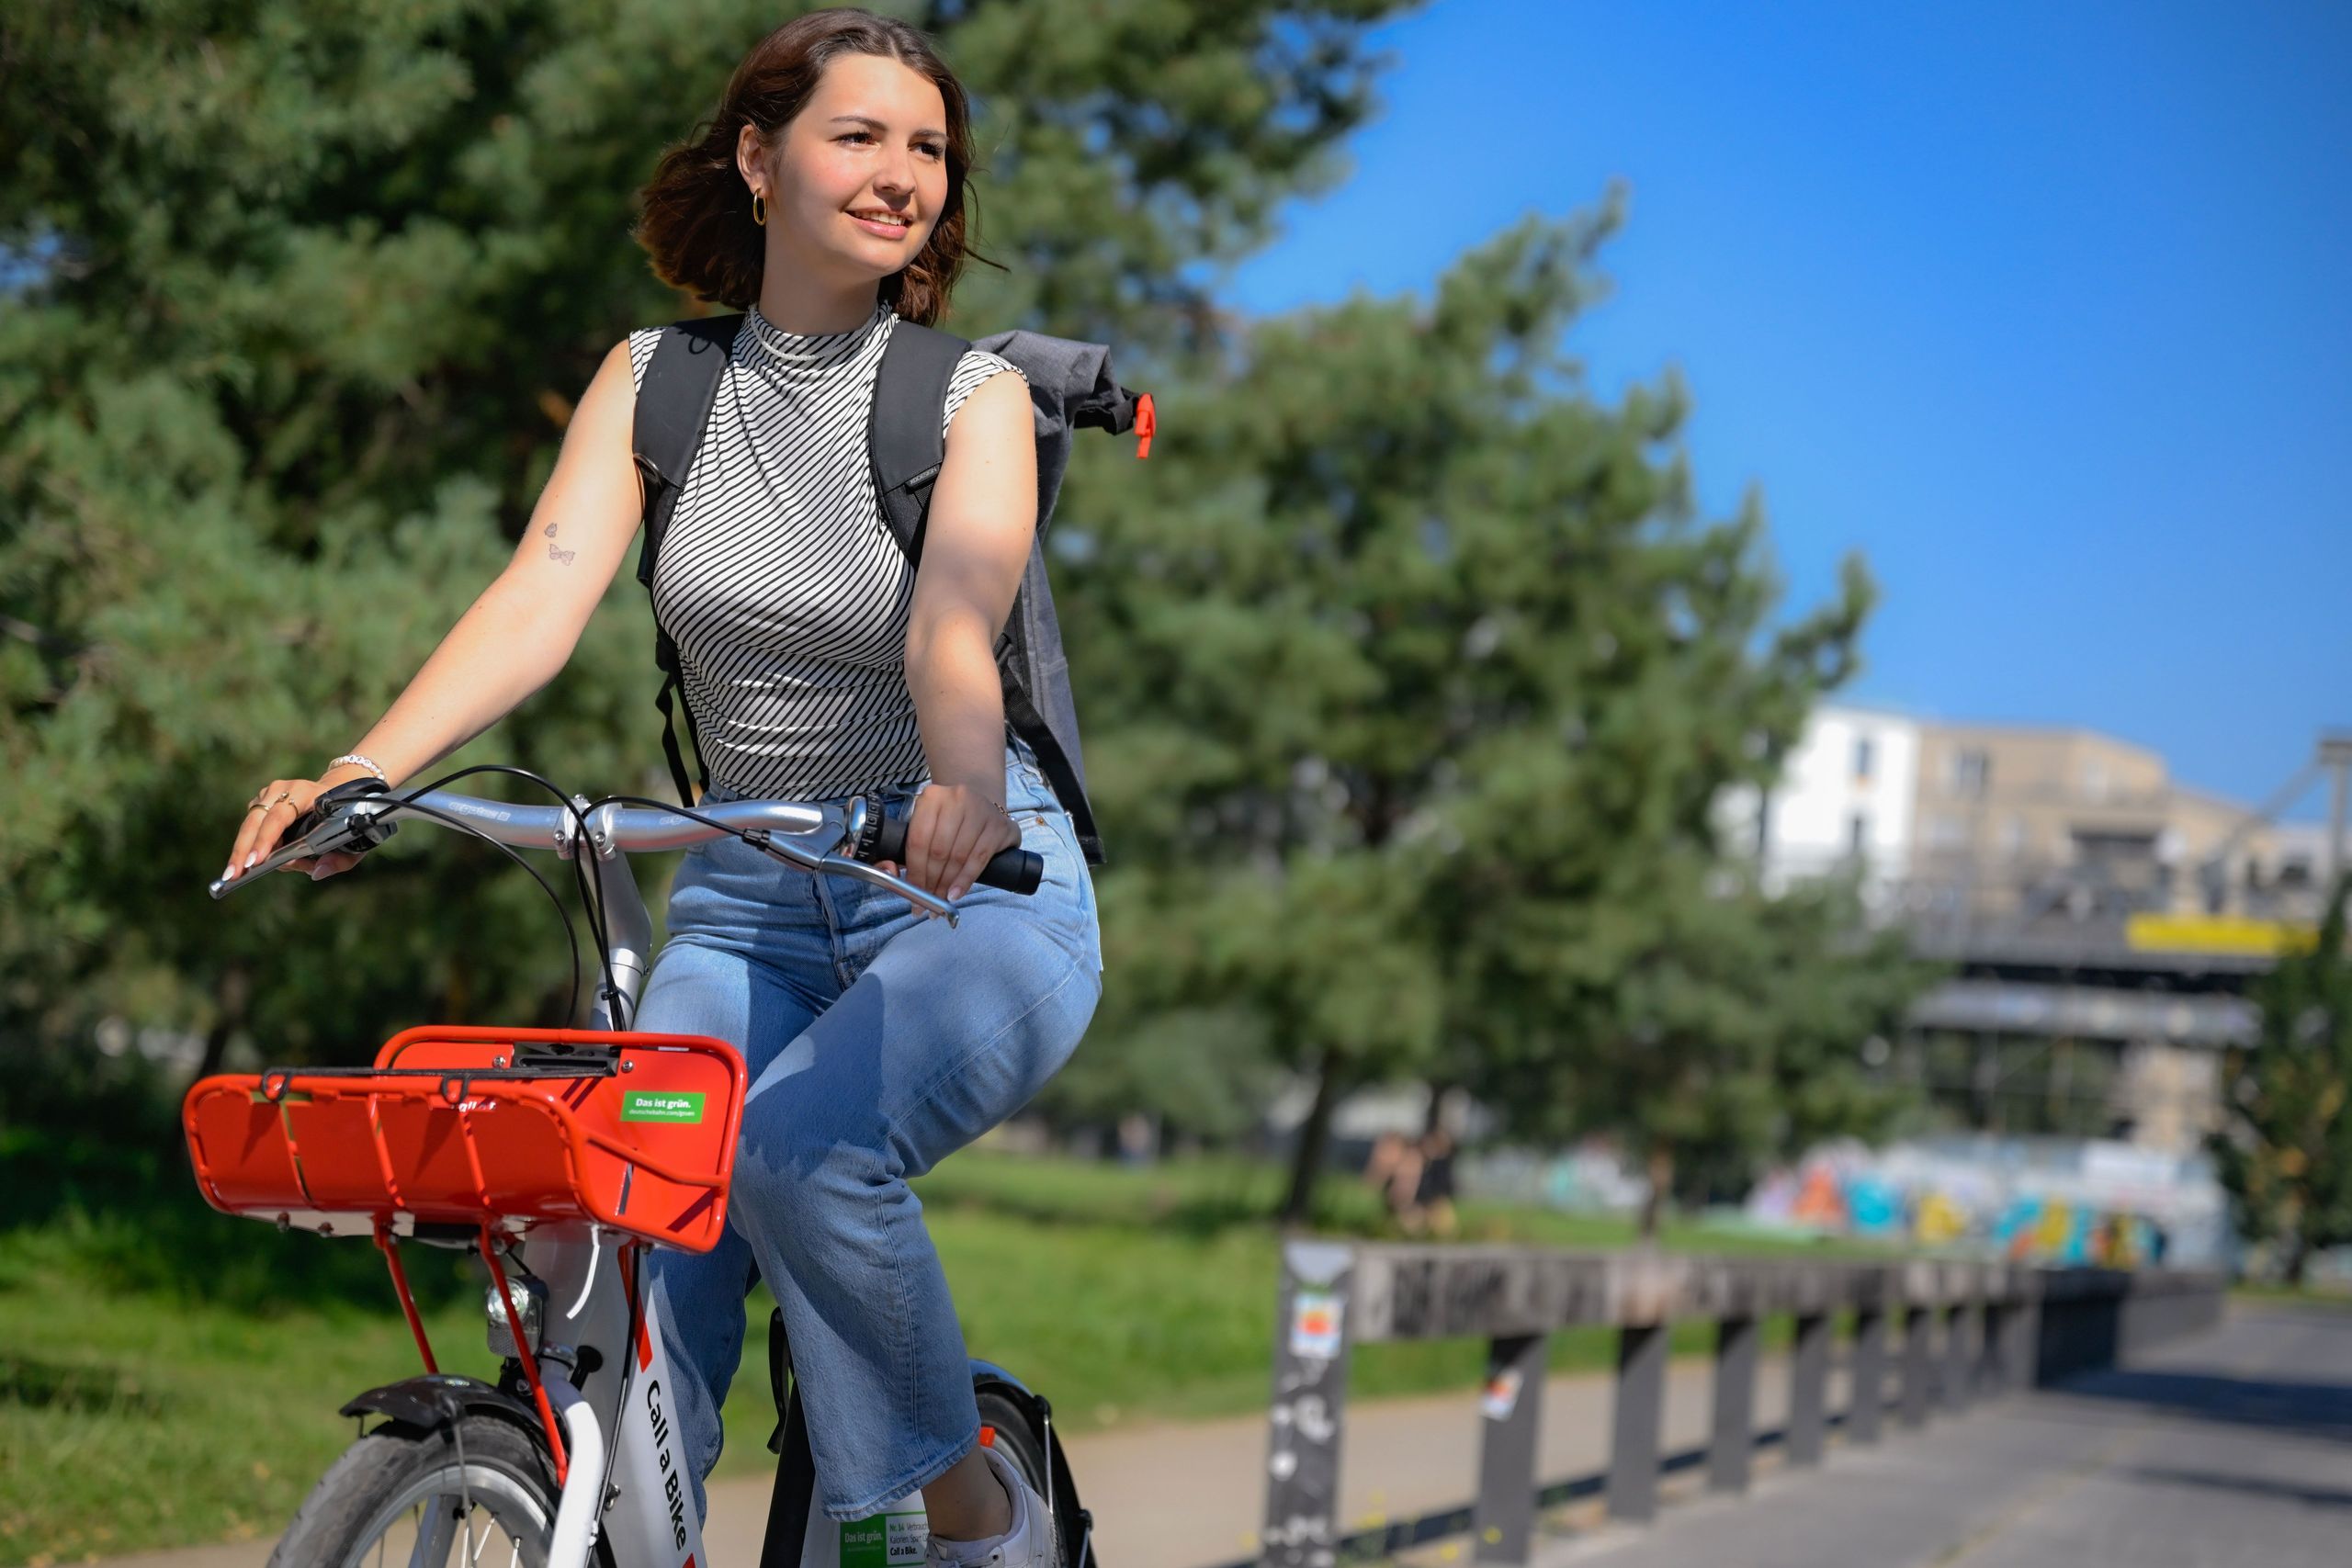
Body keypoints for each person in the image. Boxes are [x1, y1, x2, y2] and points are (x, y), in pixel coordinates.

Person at [220, 9, 1099, 1559]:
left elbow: (956, 620)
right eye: (859, 135)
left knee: (802, 1155)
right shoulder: (657, 382)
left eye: (929, 150)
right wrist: (362, 771)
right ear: (760, 160)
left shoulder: (967, 400)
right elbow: (539, 594)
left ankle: (975, 1514)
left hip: (964, 879)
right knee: (636, 1236)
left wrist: (962, 785)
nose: (902, 175)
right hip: (752, 893)